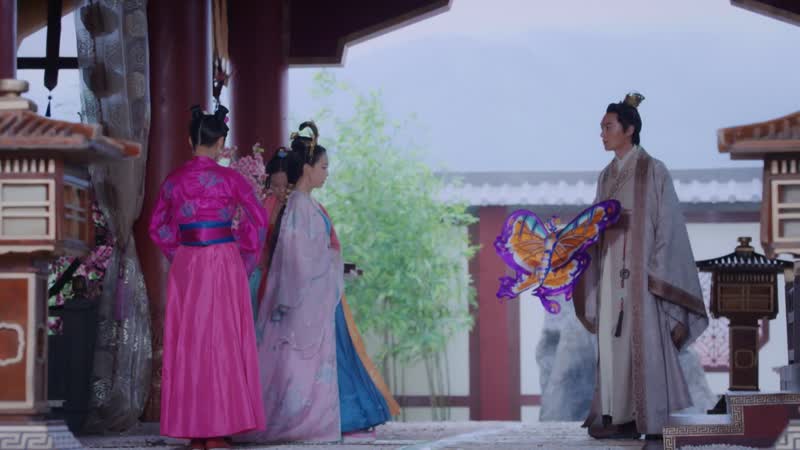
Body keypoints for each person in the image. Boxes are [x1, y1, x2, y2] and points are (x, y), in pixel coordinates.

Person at [248, 122, 398, 443]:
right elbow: (298, 260)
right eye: (324, 167)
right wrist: (330, 264)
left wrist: (332, 263)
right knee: (303, 367)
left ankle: (327, 420)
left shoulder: (307, 205)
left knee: (321, 365)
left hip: (314, 297)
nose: (327, 173)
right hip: (306, 300)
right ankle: (307, 423)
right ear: (307, 168)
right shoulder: (300, 207)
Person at [574, 93, 709, 440]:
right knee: (611, 341)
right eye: (601, 128)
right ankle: (615, 414)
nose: (602, 134)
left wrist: (656, 272)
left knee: (643, 341)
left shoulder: (654, 170)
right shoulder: (605, 176)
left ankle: (646, 417)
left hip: (643, 273)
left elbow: (668, 225)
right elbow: (594, 221)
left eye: (608, 127)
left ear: (629, 129)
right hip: (609, 269)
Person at [149, 105, 268, 450]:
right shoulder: (231, 180)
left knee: (190, 341)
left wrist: (180, 251)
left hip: (188, 263)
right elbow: (258, 219)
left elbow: (157, 226)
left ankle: (196, 430)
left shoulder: (173, 180)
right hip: (223, 261)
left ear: (190, 141)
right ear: (220, 145)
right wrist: (243, 255)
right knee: (222, 339)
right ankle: (219, 428)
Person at [248, 147, 293, 320]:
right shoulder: (266, 204)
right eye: (275, 185)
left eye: (285, 185)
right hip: (265, 270)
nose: (280, 190)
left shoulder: (301, 206)